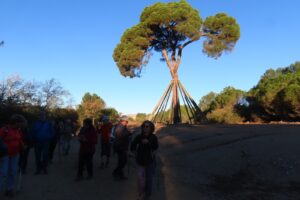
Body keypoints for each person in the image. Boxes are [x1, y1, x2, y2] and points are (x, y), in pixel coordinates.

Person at [0, 114, 27, 197]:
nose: (22, 125)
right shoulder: (4, 130)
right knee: (3, 173)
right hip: (5, 155)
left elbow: (19, 140)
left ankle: (9, 189)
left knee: (13, 172)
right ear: (16, 122)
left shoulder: (18, 130)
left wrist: (22, 145)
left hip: (15, 154)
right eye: (21, 123)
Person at [130, 120, 158, 200]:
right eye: (144, 126)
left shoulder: (153, 137)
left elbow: (156, 147)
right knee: (140, 179)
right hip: (140, 161)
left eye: (147, 126)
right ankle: (141, 195)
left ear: (151, 128)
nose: (145, 128)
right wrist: (134, 153)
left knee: (149, 179)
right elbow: (133, 145)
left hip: (150, 162)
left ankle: (147, 194)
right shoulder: (139, 137)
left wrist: (149, 143)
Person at [112, 115, 132, 180]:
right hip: (120, 147)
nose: (127, 122)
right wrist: (129, 133)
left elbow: (124, 134)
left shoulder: (123, 126)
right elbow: (119, 135)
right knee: (122, 161)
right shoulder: (119, 127)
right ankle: (118, 174)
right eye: (126, 121)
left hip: (122, 146)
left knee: (122, 161)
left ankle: (117, 173)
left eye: (127, 121)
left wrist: (129, 133)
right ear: (123, 121)